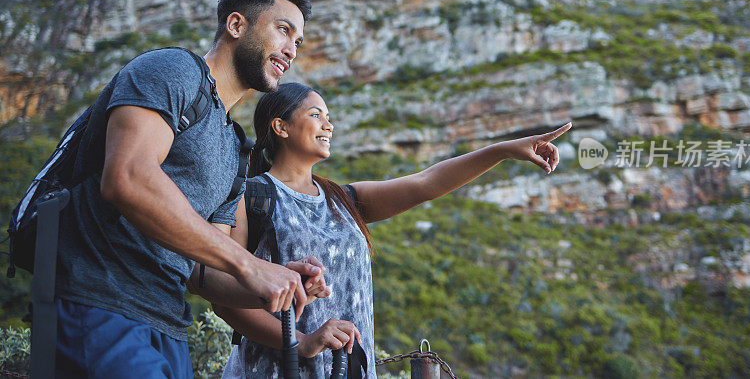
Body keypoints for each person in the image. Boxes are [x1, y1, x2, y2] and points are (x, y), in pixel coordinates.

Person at [54, 0, 328, 378]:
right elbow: (127, 176)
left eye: (298, 42)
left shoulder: (236, 149)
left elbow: (204, 274)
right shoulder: (172, 70)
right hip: (100, 303)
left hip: (168, 326)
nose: (291, 50)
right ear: (236, 25)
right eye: (283, 30)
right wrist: (250, 266)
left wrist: (281, 281)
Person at [215, 82, 572, 378]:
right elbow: (225, 299)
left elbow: (425, 183)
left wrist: (503, 151)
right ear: (281, 127)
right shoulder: (252, 196)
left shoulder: (342, 200)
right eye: (315, 115)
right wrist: (303, 341)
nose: (328, 125)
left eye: (329, 118)